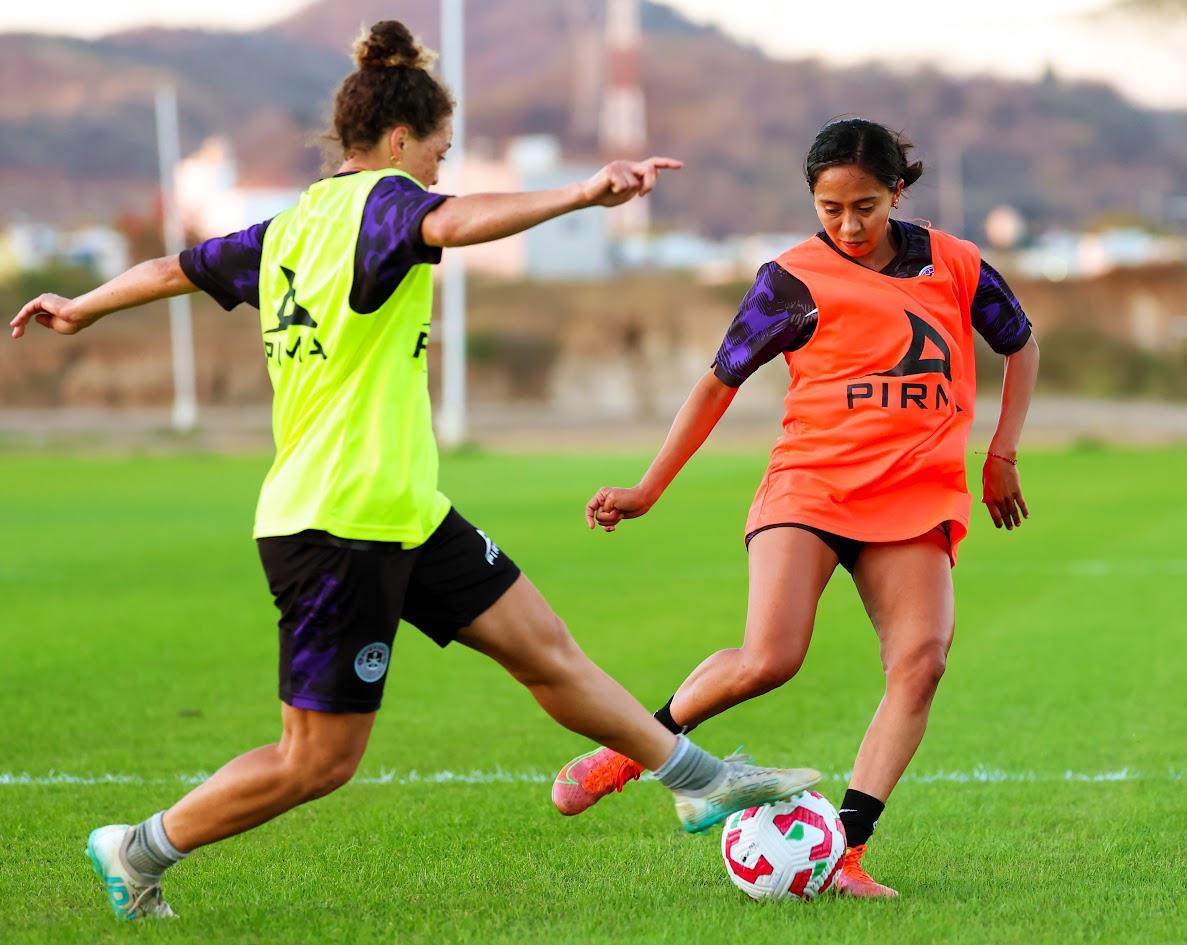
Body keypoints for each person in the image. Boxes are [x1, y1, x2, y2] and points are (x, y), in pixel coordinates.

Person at [10, 21, 821, 921]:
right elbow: (457, 219)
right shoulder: (386, 203)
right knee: (316, 760)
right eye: (440, 148)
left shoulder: (289, 225)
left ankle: (698, 779)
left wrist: (81, 306)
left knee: (544, 650)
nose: (442, 164)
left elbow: (175, 265)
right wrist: (581, 195)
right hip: (336, 526)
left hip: (402, 508)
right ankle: (138, 846)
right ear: (400, 140)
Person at [549, 118, 1040, 898]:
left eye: (865, 207)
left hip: (914, 497)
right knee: (769, 658)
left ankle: (842, 853)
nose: (846, 225)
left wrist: (1001, 453)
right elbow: (717, 382)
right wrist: (645, 489)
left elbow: (1020, 345)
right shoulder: (792, 278)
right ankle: (629, 751)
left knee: (920, 664)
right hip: (810, 487)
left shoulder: (956, 263)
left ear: (897, 192)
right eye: (829, 207)